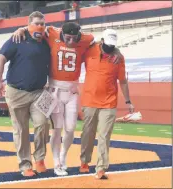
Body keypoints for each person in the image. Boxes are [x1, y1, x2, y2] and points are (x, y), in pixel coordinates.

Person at [12, 22, 122, 176]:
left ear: (79, 35)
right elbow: (35, 30)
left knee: (70, 128)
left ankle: (63, 157)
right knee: (56, 129)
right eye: (68, 38)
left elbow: (102, 45)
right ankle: (56, 161)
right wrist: (21, 28)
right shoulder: (52, 33)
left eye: (74, 38)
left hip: (72, 90)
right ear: (62, 33)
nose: (70, 41)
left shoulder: (87, 38)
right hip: (53, 90)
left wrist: (115, 50)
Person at [0, 11, 50, 177]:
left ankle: (40, 158)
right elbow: (0, 59)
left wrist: (25, 28)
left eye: (42, 23)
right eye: (37, 23)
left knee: (43, 124)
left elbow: (62, 32)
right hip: (16, 92)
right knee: (21, 129)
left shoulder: (47, 40)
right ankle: (25, 164)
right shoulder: (17, 38)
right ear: (29, 25)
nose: (40, 26)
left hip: (40, 91)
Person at [79, 29, 134, 179]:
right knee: (88, 133)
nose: (110, 49)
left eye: (113, 46)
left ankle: (101, 168)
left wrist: (128, 101)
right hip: (89, 100)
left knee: (104, 135)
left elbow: (122, 81)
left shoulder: (118, 58)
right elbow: (78, 43)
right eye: (108, 46)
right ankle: (84, 161)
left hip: (109, 102)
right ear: (101, 41)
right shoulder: (89, 50)